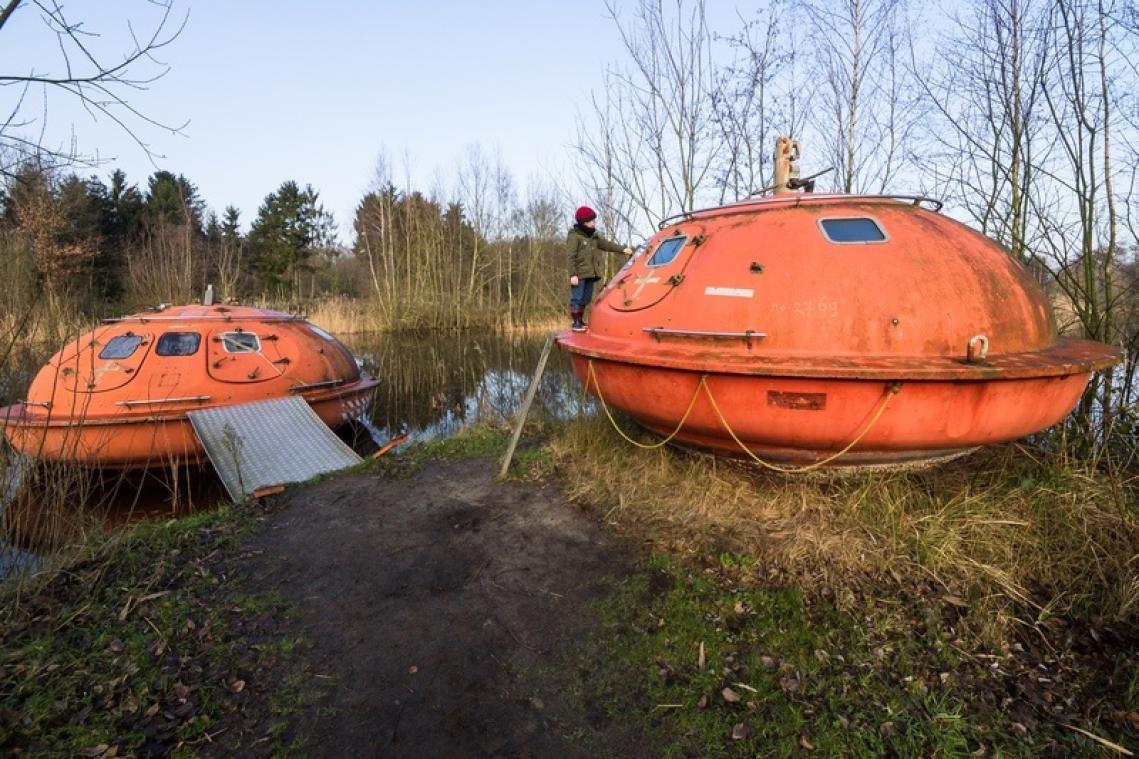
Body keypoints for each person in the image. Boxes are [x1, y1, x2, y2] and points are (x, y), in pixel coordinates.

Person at [566, 206, 632, 332]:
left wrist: (622, 249)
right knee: (577, 298)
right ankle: (576, 322)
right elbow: (570, 257)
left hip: (590, 273)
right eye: (592, 221)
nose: (594, 223)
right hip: (579, 274)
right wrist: (572, 275)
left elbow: (607, 245)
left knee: (586, 298)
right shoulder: (574, 237)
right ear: (585, 222)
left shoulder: (593, 237)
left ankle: (581, 320)